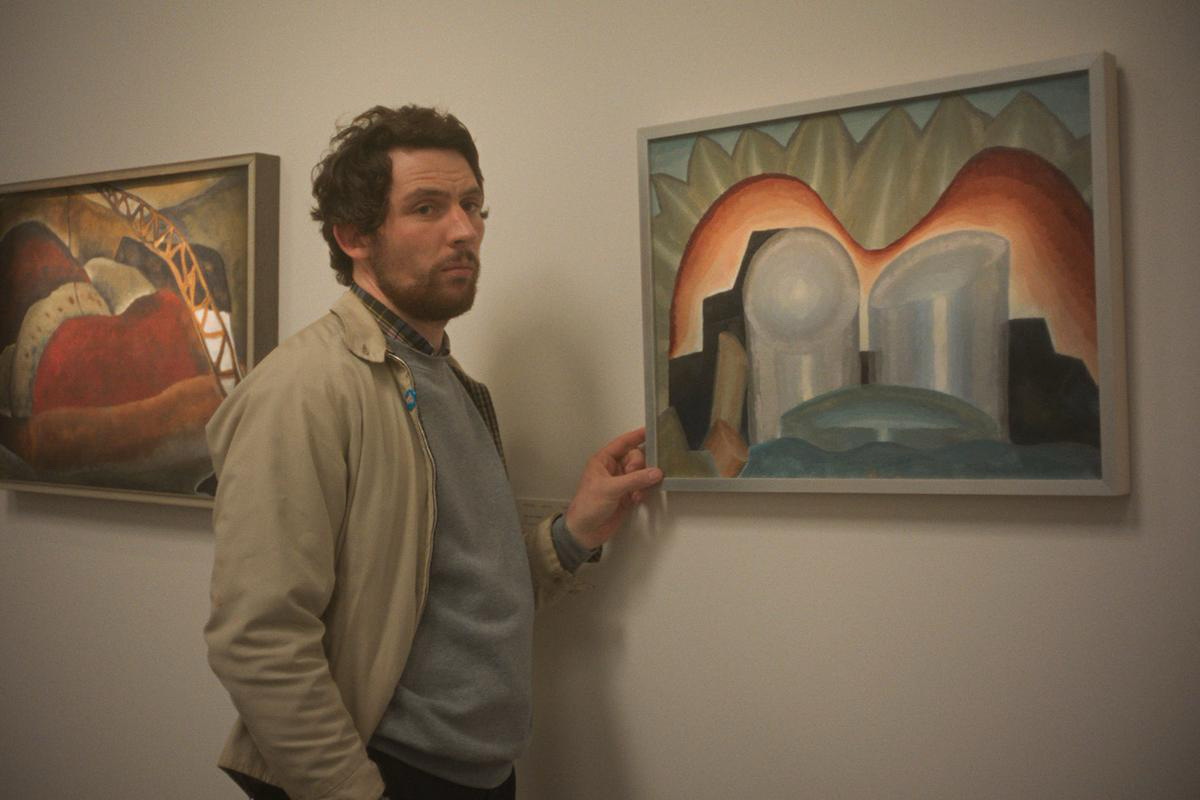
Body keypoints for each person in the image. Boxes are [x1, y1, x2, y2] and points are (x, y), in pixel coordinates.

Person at [204, 105, 662, 800]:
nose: (464, 230)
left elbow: (458, 595)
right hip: (385, 773)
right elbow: (257, 639)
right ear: (354, 235)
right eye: (427, 208)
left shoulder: (453, 384)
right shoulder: (303, 390)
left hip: (481, 775)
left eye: (472, 205)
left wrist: (576, 531)